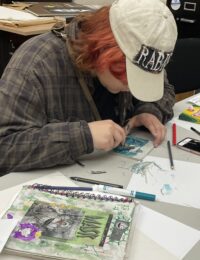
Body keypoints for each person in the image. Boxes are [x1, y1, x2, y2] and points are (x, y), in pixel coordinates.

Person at [0, 0, 177, 176]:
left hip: (116, 172)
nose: (132, 89)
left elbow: (164, 89)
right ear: (103, 54)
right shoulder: (36, 63)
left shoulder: (145, 53)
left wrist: (149, 111)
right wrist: (84, 136)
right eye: (128, 79)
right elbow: (5, 149)